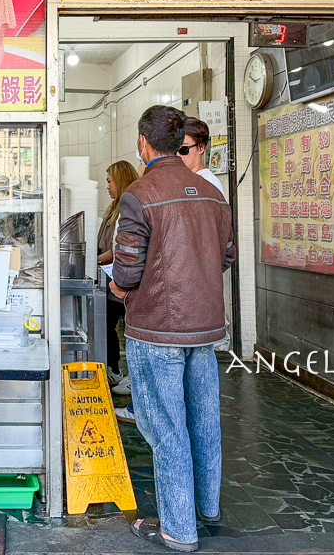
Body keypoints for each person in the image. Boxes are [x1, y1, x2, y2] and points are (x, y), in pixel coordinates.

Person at [110, 105, 235, 553]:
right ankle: (207, 509)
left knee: (165, 429)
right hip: (204, 328)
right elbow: (226, 255)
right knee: (203, 421)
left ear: (143, 144)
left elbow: (127, 271)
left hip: (157, 328)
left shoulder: (139, 194)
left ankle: (179, 529)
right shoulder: (211, 192)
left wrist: (119, 288)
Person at [97, 161, 138, 395]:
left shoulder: (128, 208)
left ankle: (134, 377)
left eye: (110, 181)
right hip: (112, 277)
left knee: (129, 328)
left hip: (124, 279)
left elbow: (121, 248)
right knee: (109, 325)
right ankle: (114, 369)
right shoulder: (114, 207)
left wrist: (96, 261)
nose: (107, 186)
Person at [179, 117, 225, 198]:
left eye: (184, 149)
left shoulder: (208, 183)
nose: (178, 155)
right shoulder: (185, 179)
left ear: (201, 148)